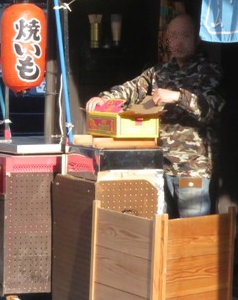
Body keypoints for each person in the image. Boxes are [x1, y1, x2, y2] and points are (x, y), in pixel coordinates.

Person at [86, 13, 224, 218]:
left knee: (190, 231)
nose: (178, 41)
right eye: (173, 36)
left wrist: (178, 97)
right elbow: (133, 88)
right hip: (158, 164)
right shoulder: (160, 71)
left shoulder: (209, 70)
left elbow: (212, 107)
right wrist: (104, 99)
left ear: (197, 38)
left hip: (192, 167)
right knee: (160, 228)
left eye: (185, 35)